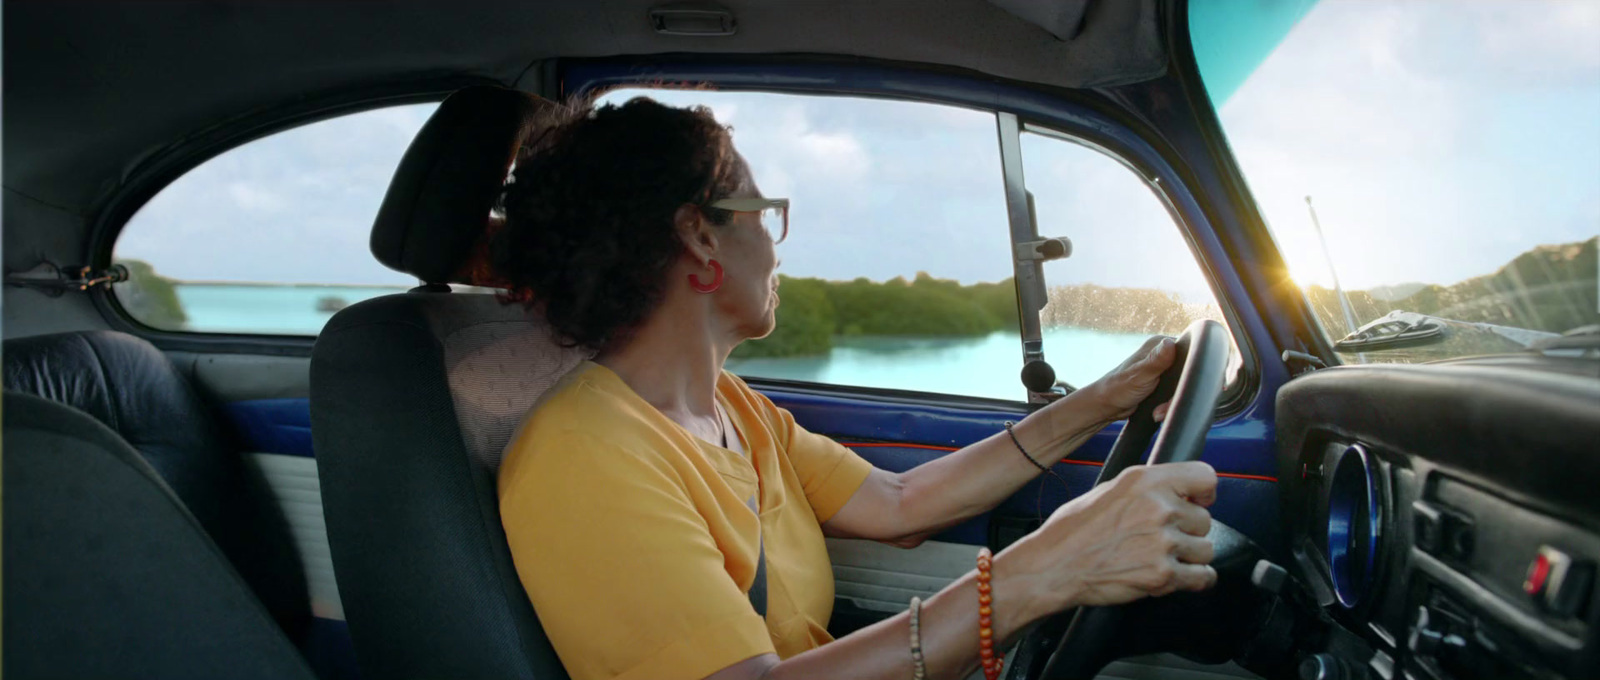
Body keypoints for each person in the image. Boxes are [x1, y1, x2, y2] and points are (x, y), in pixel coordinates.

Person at [494, 97, 1218, 680]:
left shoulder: (732, 409)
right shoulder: (585, 457)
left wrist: (1107, 397)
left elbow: (900, 505)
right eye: (762, 213)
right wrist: (1045, 569)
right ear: (701, 238)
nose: (778, 243)